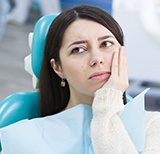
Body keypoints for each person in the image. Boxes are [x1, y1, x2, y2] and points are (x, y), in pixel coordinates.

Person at [0, 5, 160, 154]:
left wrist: (107, 103)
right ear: (58, 67)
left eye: (106, 44)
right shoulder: (23, 138)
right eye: (78, 49)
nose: (97, 58)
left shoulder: (153, 126)